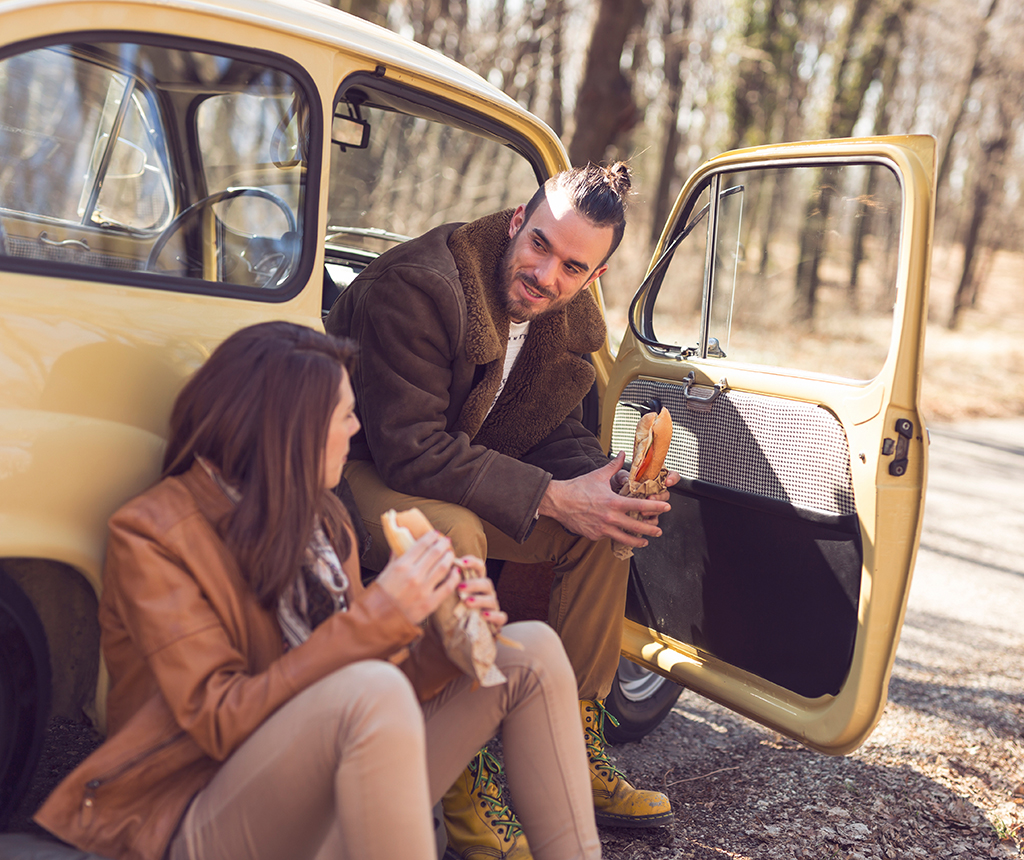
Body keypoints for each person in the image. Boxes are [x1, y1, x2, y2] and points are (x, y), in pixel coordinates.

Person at [33, 322, 601, 860]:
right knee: (371, 685)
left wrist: (442, 640)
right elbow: (220, 721)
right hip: (199, 814)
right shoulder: (153, 535)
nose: (356, 432)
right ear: (291, 426)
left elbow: (373, 696)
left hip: (328, 789)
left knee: (530, 654)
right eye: (346, 416)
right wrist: (381, 614)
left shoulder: (323, 521)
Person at [325, 163, 678, 859]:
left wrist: (598, 481)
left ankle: (575, 742)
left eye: (573, 266)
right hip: (350, 472)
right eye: (539, 244)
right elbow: (409, 453)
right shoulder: (421, 288)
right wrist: (551, 496)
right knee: (452, 531)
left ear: (595, 276)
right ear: (518, 219)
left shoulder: (566, 316)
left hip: (448, 465)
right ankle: (462, 774)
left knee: (606, 525)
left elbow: (541, 427)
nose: (546, 274)